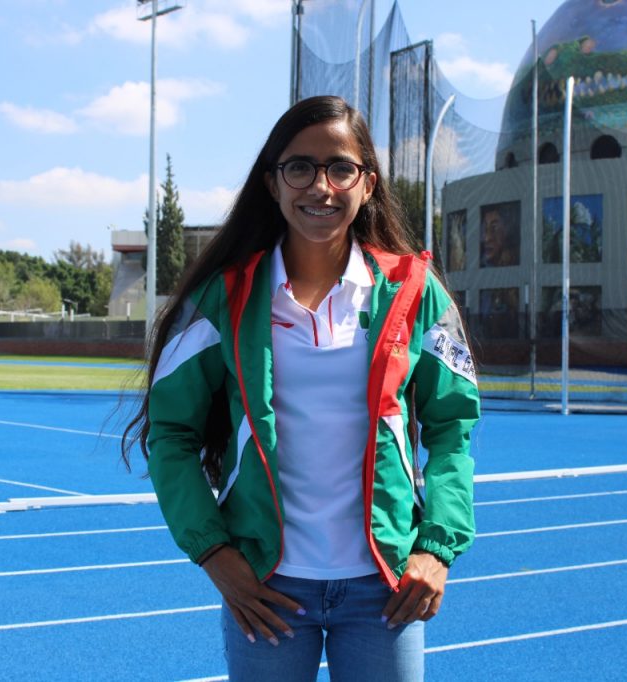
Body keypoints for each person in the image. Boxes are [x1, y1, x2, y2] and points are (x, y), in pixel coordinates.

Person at [122, 96, 480, 681]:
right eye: (300, 168)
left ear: (367, 184)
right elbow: (171, 432)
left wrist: (436, 548)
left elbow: (452, 429)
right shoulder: (223, 298)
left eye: (340, 168)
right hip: (268, 585)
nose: (321, 186)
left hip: (384, 587)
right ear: (272, 182)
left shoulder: (415, 291)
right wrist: (213, 552)